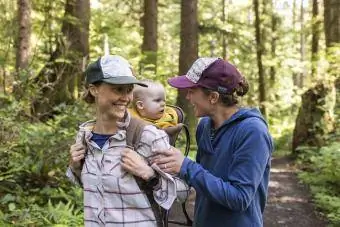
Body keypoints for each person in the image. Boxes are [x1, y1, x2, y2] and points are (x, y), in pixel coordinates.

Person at [66, 55, 188, 227]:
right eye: (118, 89)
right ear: (94, 90)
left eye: (129, 89)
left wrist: (150, 176)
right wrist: (76, 168)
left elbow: (183, 192)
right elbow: (98, 191)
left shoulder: (146, 136)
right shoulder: (84, 137)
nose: (126, 97)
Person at [152, 57, 274, 227]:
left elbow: (240, 198)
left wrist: (186, 166)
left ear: (213, 97)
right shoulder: (205, 126)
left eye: (192, 91)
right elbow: (203, 178)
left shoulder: (253, 132)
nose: (187, 97)